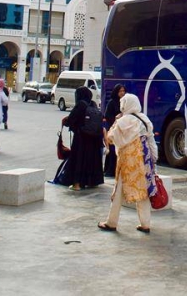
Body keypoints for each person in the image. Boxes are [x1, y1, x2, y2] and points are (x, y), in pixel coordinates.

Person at [99, 93, 157, 234]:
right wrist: (154, 160)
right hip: (144, 159)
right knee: (143, 191)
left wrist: (116, 121)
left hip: (127, 161)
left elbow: (110, 138)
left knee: (119, 190)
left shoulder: (123, 121)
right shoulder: (145, 119)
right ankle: (145, 224)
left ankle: (111, 222)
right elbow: (151, 141)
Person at [62, 87, 105, 190]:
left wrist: (66, 122)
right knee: (92, 160)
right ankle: (92, 182)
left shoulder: (81, 104)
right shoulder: (93, 104)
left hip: (81, 138)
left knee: (79, 160)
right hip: (94, 138)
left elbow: (72, 119)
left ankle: (77, 184)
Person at [103, 84, 126, 177]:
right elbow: (108, 116)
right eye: (120, 91)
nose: (122, 93)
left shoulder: (125, 102)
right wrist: (116, 120)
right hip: (113, 129)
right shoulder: (112, 102)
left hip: (122, 129)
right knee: (112, 151)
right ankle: (110, 170)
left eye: (123, 91)